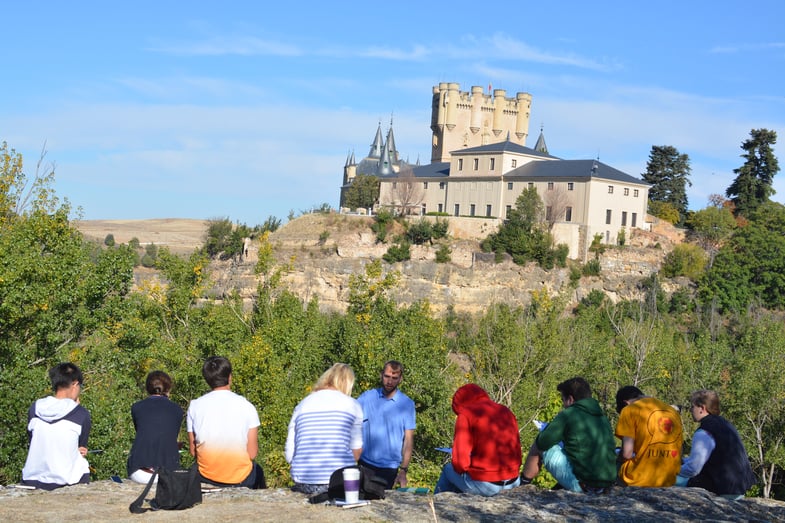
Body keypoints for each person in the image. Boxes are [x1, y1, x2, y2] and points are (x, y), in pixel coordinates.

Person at [522, 377, 616, 493]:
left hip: (584, 487)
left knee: (538, 445)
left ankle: (523, 485)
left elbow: (543, 442)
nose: (563, 405)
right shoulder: (602, 417)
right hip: (606, 486)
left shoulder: (569, 414)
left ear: (570, 399)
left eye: (563, 400)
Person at [187, 356, 266, 488]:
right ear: (230, 377)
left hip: (206, 476)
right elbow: (252, 453)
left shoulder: (195, 406)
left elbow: (193, 451)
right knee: (258, 472)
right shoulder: (247, 406)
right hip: (240, 478)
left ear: (207, 379)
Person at [285, 363, 363, 494]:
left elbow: (289, 454)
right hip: (338, 482)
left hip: (303, 481)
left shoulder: (302, 404)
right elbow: (357, 452)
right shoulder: (353, 405)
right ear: (348, 384)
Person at [434, 384, 521, 496]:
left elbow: (460, 464)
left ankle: (438, 507)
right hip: (513, 482)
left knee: (448, 470)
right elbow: (517, 452)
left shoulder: (466, 414)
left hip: (486, 485)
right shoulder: (506, 411)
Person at [21, 362, 91, 490]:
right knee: (81, 465)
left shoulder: (35, 408)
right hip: (66, 479)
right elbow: (80, 448)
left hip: (32, 478)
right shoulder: (81, 413)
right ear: (75, 384)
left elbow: (33, 440)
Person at [676, 389, 756, 499]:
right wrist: (683, 461)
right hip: (738, 489)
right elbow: (710, 459)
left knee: (664, 479)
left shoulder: (704, 432)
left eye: (692, 406)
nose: (690, 410)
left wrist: (671, 469)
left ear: (702, 408)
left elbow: (693, 469)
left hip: (722, 490)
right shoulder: (725, 424)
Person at [357, 360, 416, 489]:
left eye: (394, 378)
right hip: (365, 464)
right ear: (381, 375)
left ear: (400, 379)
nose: (390, 381)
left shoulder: (407, 404)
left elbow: (408, 440)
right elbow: (351, 423)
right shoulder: (367, 398)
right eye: (387, 376)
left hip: (389, 469)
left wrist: (403, 470)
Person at [614, 385, 683, 487]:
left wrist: (617, 460)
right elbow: (680, 452)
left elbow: (626, 454)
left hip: (639, 479)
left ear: (626, 403)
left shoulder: (629, 410)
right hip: (668, 479)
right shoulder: (672, 411)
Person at [127, 370, 184, 483]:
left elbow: (144, 433)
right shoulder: (177, 409)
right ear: (168, 389)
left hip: (139, 472)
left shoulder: (137, 407)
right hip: (167, 472)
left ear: (148, 388)